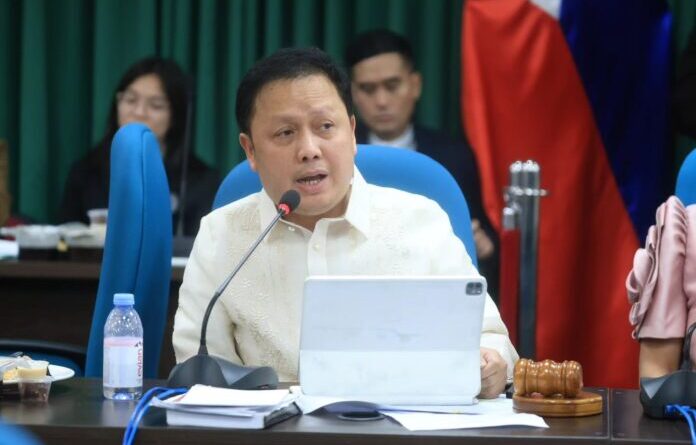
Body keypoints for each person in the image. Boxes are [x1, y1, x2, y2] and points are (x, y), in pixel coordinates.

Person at [173, 47, 517, 398]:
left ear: (352, 133)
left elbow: (490, 339)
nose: (309, 150)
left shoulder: (420, 222)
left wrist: (489, 364)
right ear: (250, 150)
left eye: (325, 127)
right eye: (285, 133)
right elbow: (201, 374)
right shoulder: (220, 236)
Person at [344, 29, 499, 297]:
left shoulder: (454, 156)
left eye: (392, 86)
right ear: (353, 95)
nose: (381, 101)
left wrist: (485, 247)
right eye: (368, 89)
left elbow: (482, 235)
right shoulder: (337, 156)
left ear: (415, 85)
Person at [59, 57, 220, 236]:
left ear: (175, 116)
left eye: (156, 105)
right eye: (130, 100)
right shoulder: (86, 172)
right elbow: (65, 237)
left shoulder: (200, 179)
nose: (139, 112)